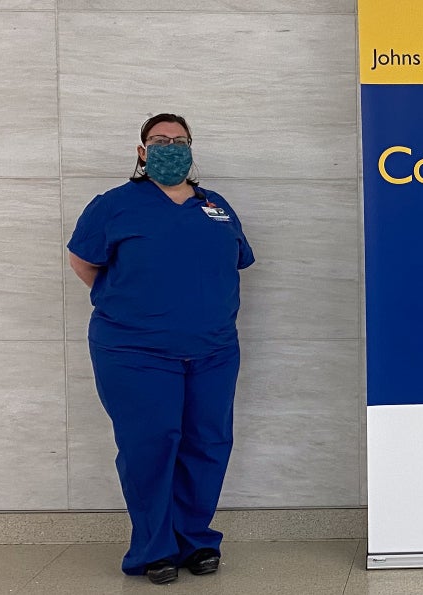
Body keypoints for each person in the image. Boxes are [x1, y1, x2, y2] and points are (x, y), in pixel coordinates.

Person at [67, 113, 255, 584]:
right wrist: (134, 306)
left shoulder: (216, 206)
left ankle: (196, 541)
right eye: (160, 140)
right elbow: (83, 262)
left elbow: (236, 262)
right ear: (142, 151)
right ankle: (153, 550)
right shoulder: (114, 206)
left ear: (192, 148)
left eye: (179, 140)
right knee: (150, 447)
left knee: (207, 445)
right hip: (135, 353)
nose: (170, 146)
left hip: (213, 351)